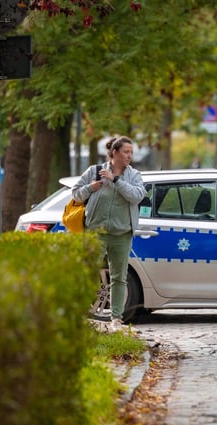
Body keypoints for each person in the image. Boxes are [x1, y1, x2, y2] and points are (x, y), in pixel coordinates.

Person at [71, 136, 146, 332]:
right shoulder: (94, 171)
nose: (129, 156)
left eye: (131, 152)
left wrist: (116, 180)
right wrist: (91, 187)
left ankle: (116, 319)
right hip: (96, 232)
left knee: (119, 277)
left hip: (122, 233)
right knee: (88, 272)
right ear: (115, 153)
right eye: (126, 152)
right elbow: (76, 193)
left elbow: (137, 196)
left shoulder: (134, 175)